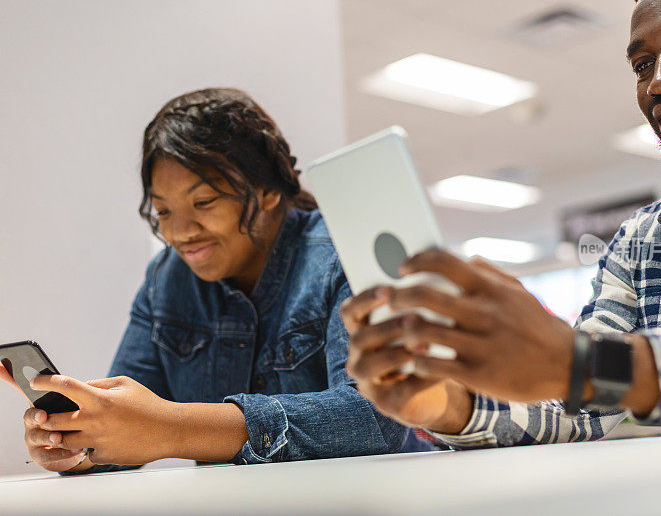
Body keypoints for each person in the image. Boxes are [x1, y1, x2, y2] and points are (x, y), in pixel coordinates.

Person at [343, 0, 661, 449]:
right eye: (643, 65)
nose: (660, 81)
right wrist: (447, 405)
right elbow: (585, 400)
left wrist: (580, 363)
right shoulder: (645, 241)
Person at [20, 88, 413, 473]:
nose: (181, 232)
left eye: (204, 202)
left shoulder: (344, 255)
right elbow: (129, 420)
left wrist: (172, 428)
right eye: (163, 211)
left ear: (267, 190)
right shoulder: (166, 279)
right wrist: (83, 445)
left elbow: (381, 415)